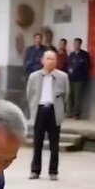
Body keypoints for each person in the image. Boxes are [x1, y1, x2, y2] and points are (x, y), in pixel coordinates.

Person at [27, 50, 68, 181]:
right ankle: (35, 170)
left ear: (56, 61)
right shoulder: (34, 76)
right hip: (39, 110)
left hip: (53, 110)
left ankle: (53, 171)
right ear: (42, 61)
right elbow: (30, 94)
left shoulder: (62, 77)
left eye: (53, 59)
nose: (50, 61)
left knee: (54, 144)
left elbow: (66, 96)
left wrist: (61, 109)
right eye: (48, 59)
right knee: (37, 142)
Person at [67, 38, 91, 119]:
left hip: (80, 79)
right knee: (71, 96)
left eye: (77, 43)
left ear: (80, 44)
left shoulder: (84, 55)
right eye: (74, 43)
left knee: (78, 97)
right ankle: (70, 112)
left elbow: (87, 67)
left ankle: (76, 114)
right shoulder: (71, 55)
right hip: (71, 78)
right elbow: (68, 64)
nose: (76, 45)